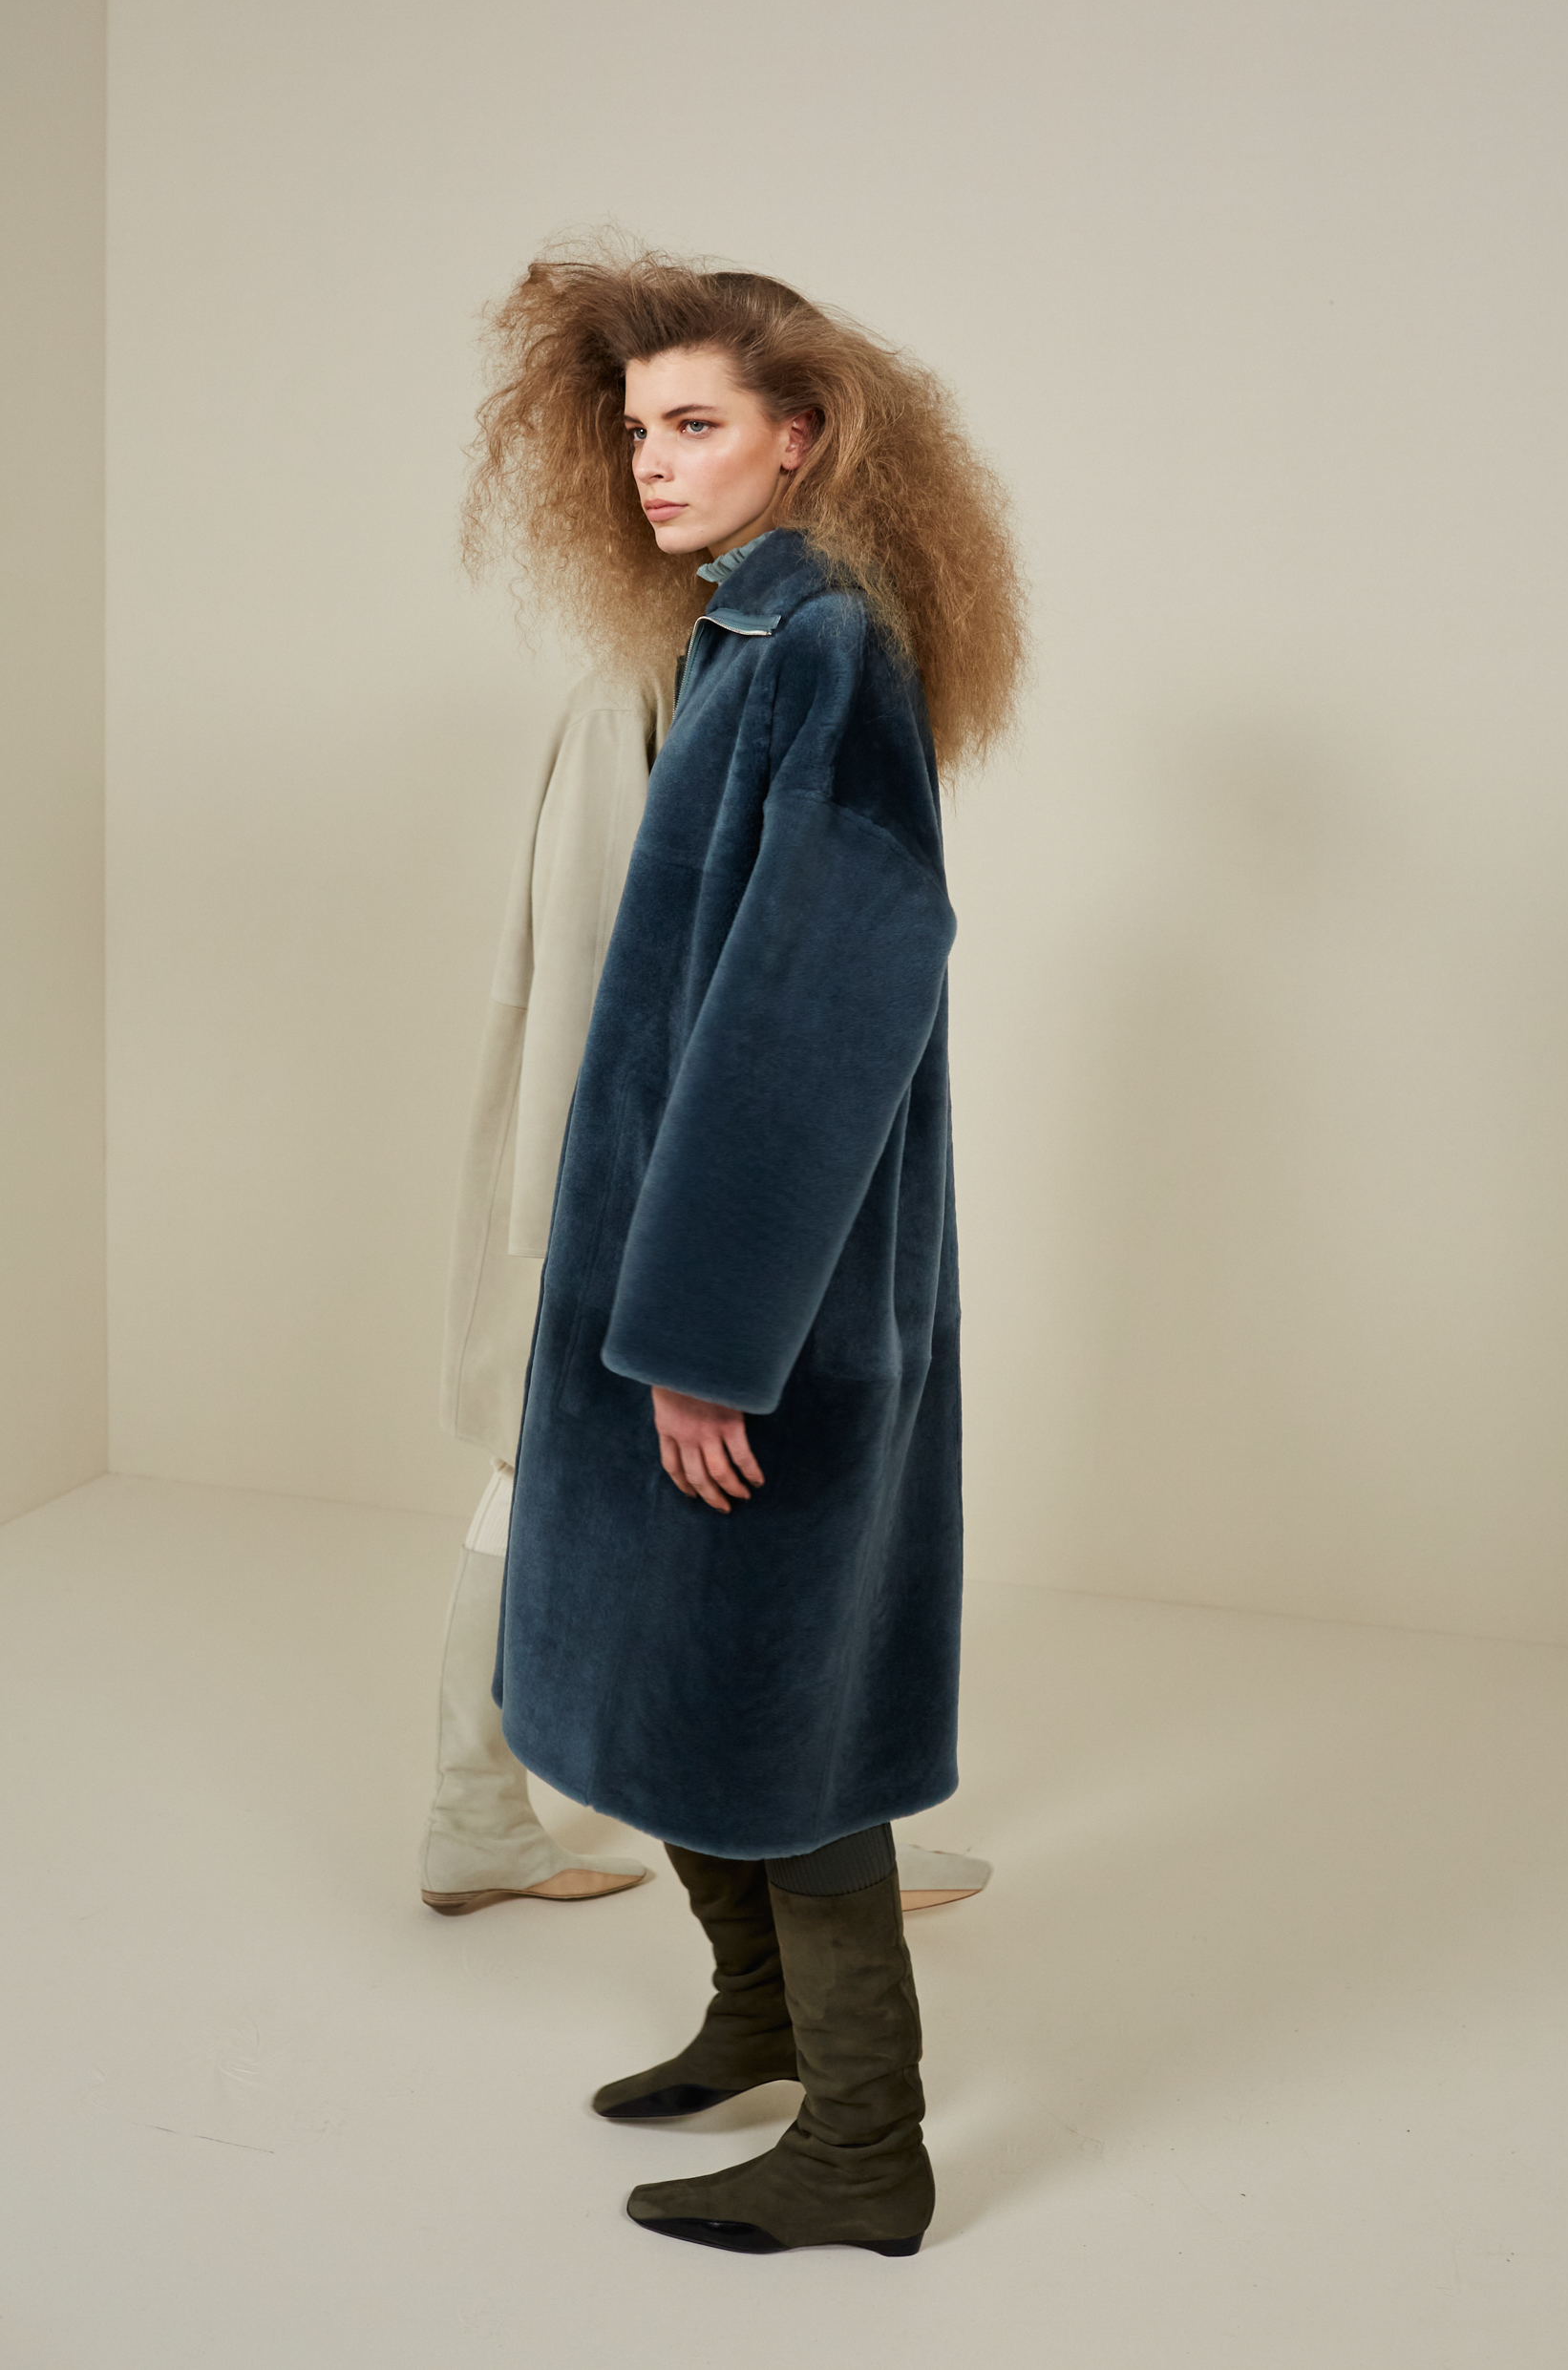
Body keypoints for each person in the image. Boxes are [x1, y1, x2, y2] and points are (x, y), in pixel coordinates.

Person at [463, 244, 1024, 2256]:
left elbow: (822, 1001)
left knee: (789, 1705)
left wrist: (712, 1334)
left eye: (696, 424)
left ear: (805, 437)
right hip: (666, 1270)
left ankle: (866, 2141)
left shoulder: (826, 649)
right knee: (677, 1665)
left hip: (761, 1301)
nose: (652, 462)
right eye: (637, 428)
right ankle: (761, 2014)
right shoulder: (743, 633)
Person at [423, 675, 992, 1914]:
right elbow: (588, 971)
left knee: (733, 1482)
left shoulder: (735, 666)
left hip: (675, 1179)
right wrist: (597, 1231)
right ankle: (482, 1812)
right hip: (618, 1188)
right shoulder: (625, 692)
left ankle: (810, 1835)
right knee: (546, 1470)